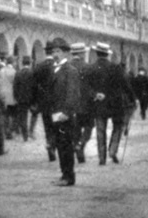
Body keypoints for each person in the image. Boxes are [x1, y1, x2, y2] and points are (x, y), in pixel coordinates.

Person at [84, 42, 135, 166]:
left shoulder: (91, 68)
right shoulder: (116, 68)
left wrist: (95, 94)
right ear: (107, 54)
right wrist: (133, 99)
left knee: (100, 131)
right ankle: (113, 150)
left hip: (99, 103)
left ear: (97, 53)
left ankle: (102, 158)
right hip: (116, 104)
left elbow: (85, 87)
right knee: (118, 126)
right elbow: (126, 85)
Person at [47, 37, 80, 186]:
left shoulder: (70, 70)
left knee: (66, 146)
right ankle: (64, 174)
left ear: (66, 53)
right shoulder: (54, 69)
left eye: (58, 51)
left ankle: (69, 176)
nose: (55, 54)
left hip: (64, 115)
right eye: (53, 51)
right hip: (55, 113)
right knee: (60, 145)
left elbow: (73, 93)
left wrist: (66, 112)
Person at [69, 42, 94, 163]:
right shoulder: (88, 67)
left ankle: (79, 153)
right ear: (82, 53)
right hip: (86, 104)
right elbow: (93, 86)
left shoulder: (67, 67)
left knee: (76, 130)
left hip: (71, 105)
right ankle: (81, 144)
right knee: (89, 127)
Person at [33, 41, 57, 161]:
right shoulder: (57, 66)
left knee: (47, 126)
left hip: (44, 102)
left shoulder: (39, 66)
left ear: (46, 52)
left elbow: (34, 85)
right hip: (56, 102)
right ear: (54, 52)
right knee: (56, 126)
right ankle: (52, 145)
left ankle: (49, 143)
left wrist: (36, 100)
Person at [13, 56, 35, 142]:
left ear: (22, 63)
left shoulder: (18, 73)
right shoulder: (32, 73)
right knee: (34, 114)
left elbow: (15, 87)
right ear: (30, 63)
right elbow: (35, 87)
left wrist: (16, 97)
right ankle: (31, 131)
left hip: (21, 98)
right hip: (31, 98)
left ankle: (25, 135)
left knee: (23, 117)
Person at [2, 56, 18, 139]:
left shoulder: (2, 71)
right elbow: (16, 84)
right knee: (13, 115)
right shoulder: (14, 72)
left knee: (5, 115)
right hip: (12, 96)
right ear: (13, 62)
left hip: (3, 95)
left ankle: (5, 131)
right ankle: (10, 131)